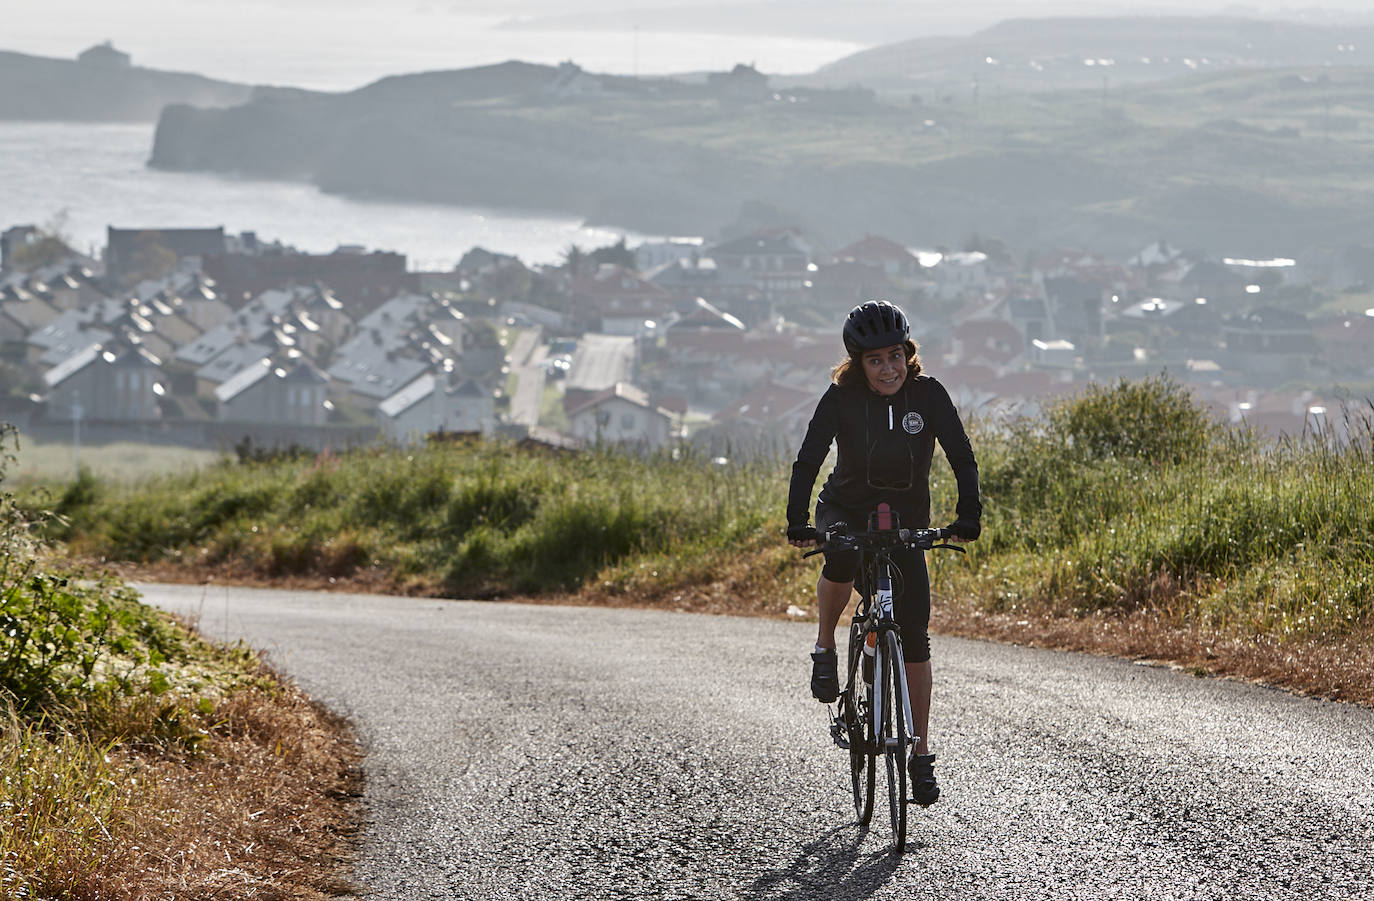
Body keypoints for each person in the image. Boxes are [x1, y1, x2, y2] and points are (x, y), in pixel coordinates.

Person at [786, 299, 981, 807]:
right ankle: (825, 646)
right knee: (843, 558)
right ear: (858, 364)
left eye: (895, 355)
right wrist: (799, 522)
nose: (888, 367)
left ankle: (919, 753)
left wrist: (968, 517)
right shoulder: (841, 399)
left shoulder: (929, 395)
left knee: (914, 635)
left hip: (905, 523)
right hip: (845, 510)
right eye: (875, 360)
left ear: (907, 354)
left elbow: (961, 456)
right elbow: (809, 458)